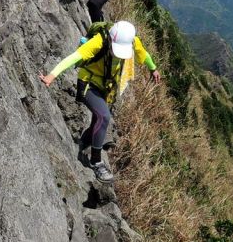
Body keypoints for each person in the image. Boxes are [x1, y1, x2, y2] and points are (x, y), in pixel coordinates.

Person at [40, 20, 161, 182]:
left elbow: (143, 54)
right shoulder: (99, 41)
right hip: (88, 84)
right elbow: (74, 57)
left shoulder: (132, 42)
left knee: (98, 118)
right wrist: (52, 75)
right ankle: (96, 161)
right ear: (111, 40)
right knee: (104, 117)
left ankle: (83, 142)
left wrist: (153, 68)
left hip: (106, 87)